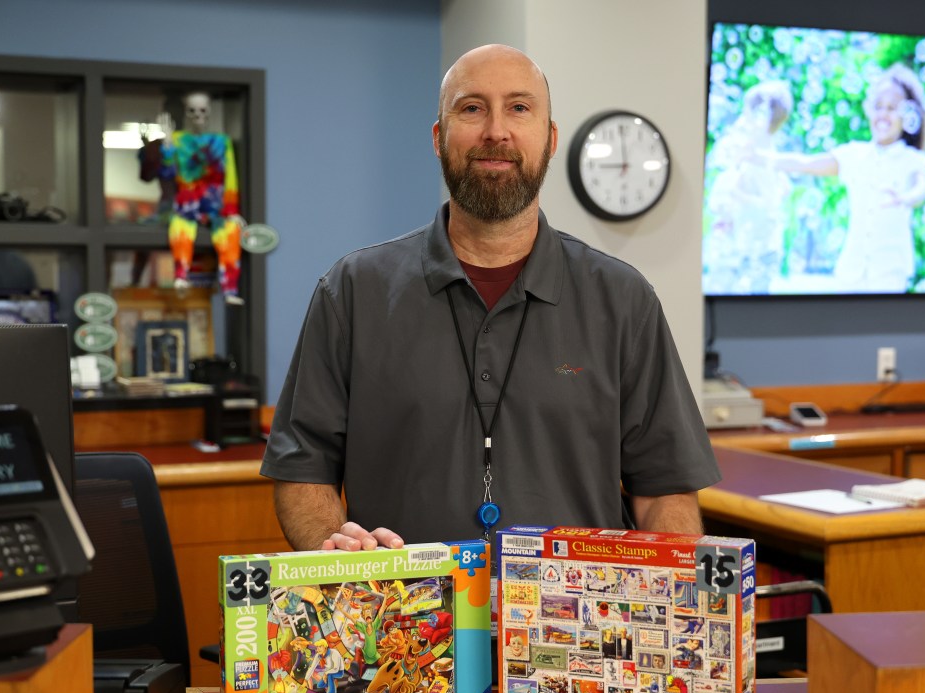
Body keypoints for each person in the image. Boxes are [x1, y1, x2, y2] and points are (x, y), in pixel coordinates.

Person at [262, 44, 720, 551]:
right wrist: (334, 552)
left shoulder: (624, 300)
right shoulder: (351, 292)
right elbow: (303, 470)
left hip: (573, 624)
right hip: (406, 622)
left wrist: (672, 608)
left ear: (549, 140)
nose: (496, 131)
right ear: (439, 138)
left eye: (519, 108)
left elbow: (665, 493)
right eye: (472, 108)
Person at [764, 64, 925, 293]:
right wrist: (760, 158)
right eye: (878, 106)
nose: (883, 114)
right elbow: (806, 163)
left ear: (906, 116)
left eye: (892, 108)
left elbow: (921, 189)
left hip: (890, 271)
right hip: (851, 270)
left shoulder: (913, 159)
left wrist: (903, 197)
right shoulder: (855, 155)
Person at [704, 80, 794, 294]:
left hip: (760, 250)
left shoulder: (765, 159)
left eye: (750, 114)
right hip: (739, 246)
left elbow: (769, 204)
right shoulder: (744, 151)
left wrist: (737, 195)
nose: (743, 121)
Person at [159, 90, 244, 301]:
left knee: (231, 234)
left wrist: (231, 210)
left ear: (209, 113)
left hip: (215, 205)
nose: (198, 116)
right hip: (187, 203)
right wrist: (167, 146)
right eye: (192, 111)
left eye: (203, 111)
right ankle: (181, 276)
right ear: (186, 113)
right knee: (179, 231)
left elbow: (231, 178)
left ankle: (230, 289)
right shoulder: (178, 140)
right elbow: (167, 175)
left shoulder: (221, 142)